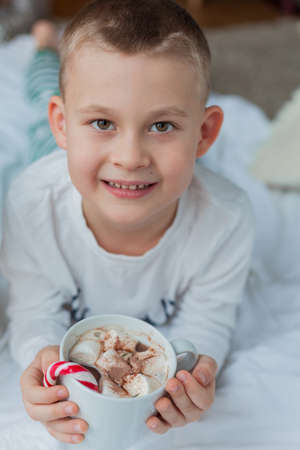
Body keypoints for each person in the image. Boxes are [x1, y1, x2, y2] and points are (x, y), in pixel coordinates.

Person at [0, 0, 254, 446]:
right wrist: (39, 355)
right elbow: (31, 311)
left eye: (161, 125)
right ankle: (44, 46)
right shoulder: (29, 204)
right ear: (65, 124)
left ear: (205, 134)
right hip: (46, 160)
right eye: (102, 121)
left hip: (83, 162)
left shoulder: (227, 221)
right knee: (40, 92)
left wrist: (197, 371)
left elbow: (209, 321)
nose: (130, 157)